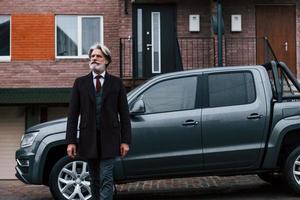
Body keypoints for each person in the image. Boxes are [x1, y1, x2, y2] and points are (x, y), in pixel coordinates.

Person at [66, 43, 131, 200]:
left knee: (106, 177)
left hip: (110, 139)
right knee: (94, 179)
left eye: (98, 56)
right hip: (89, 139)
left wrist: (125, 141)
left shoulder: (117, 83)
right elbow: (73, 115)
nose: (94, 58)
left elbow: (124, 114)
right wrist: (71, 141)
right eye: (92, 56)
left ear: (107, 60)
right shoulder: (80, 83)